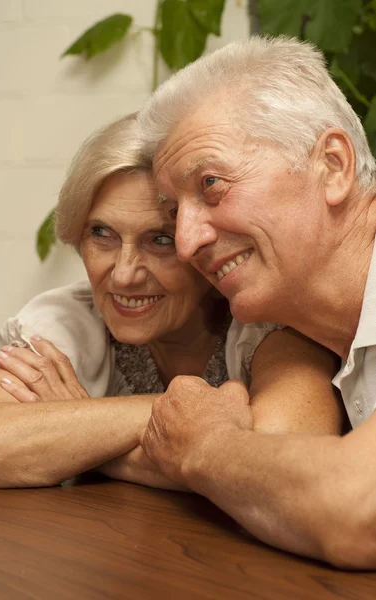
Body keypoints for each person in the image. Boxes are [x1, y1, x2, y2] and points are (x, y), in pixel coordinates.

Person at [0, 113, 342, 490]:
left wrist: (82, 434)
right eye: (101, 233)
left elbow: (283, 467)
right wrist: (178, 420)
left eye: (160, 240)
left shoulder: (264, 319)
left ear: (204, 242)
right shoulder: (72, 319)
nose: (123, 274)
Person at [136, 35, 376, 569]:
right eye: (173, 209)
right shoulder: (316, 334)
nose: (184, 241)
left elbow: (359, 508)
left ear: (333, 167)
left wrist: (201, 444)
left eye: (212, 184)